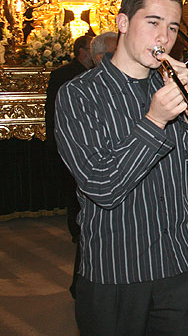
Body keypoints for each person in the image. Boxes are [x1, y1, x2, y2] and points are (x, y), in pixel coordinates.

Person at [54, 0, 188, 335]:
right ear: (124, 23)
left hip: (179, 261)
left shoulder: (170, 88)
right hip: (117, 270)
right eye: (153, 22)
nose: (164, 38)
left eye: (173, 27)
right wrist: (155, 120)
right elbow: (103, 187)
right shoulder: (78, 95)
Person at [44, 34, 94, 299]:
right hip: (72, 143)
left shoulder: (95, 76)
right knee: (75, 194)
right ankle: (76, 229)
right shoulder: (64, 75)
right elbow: (53, 111)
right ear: (81, 51)